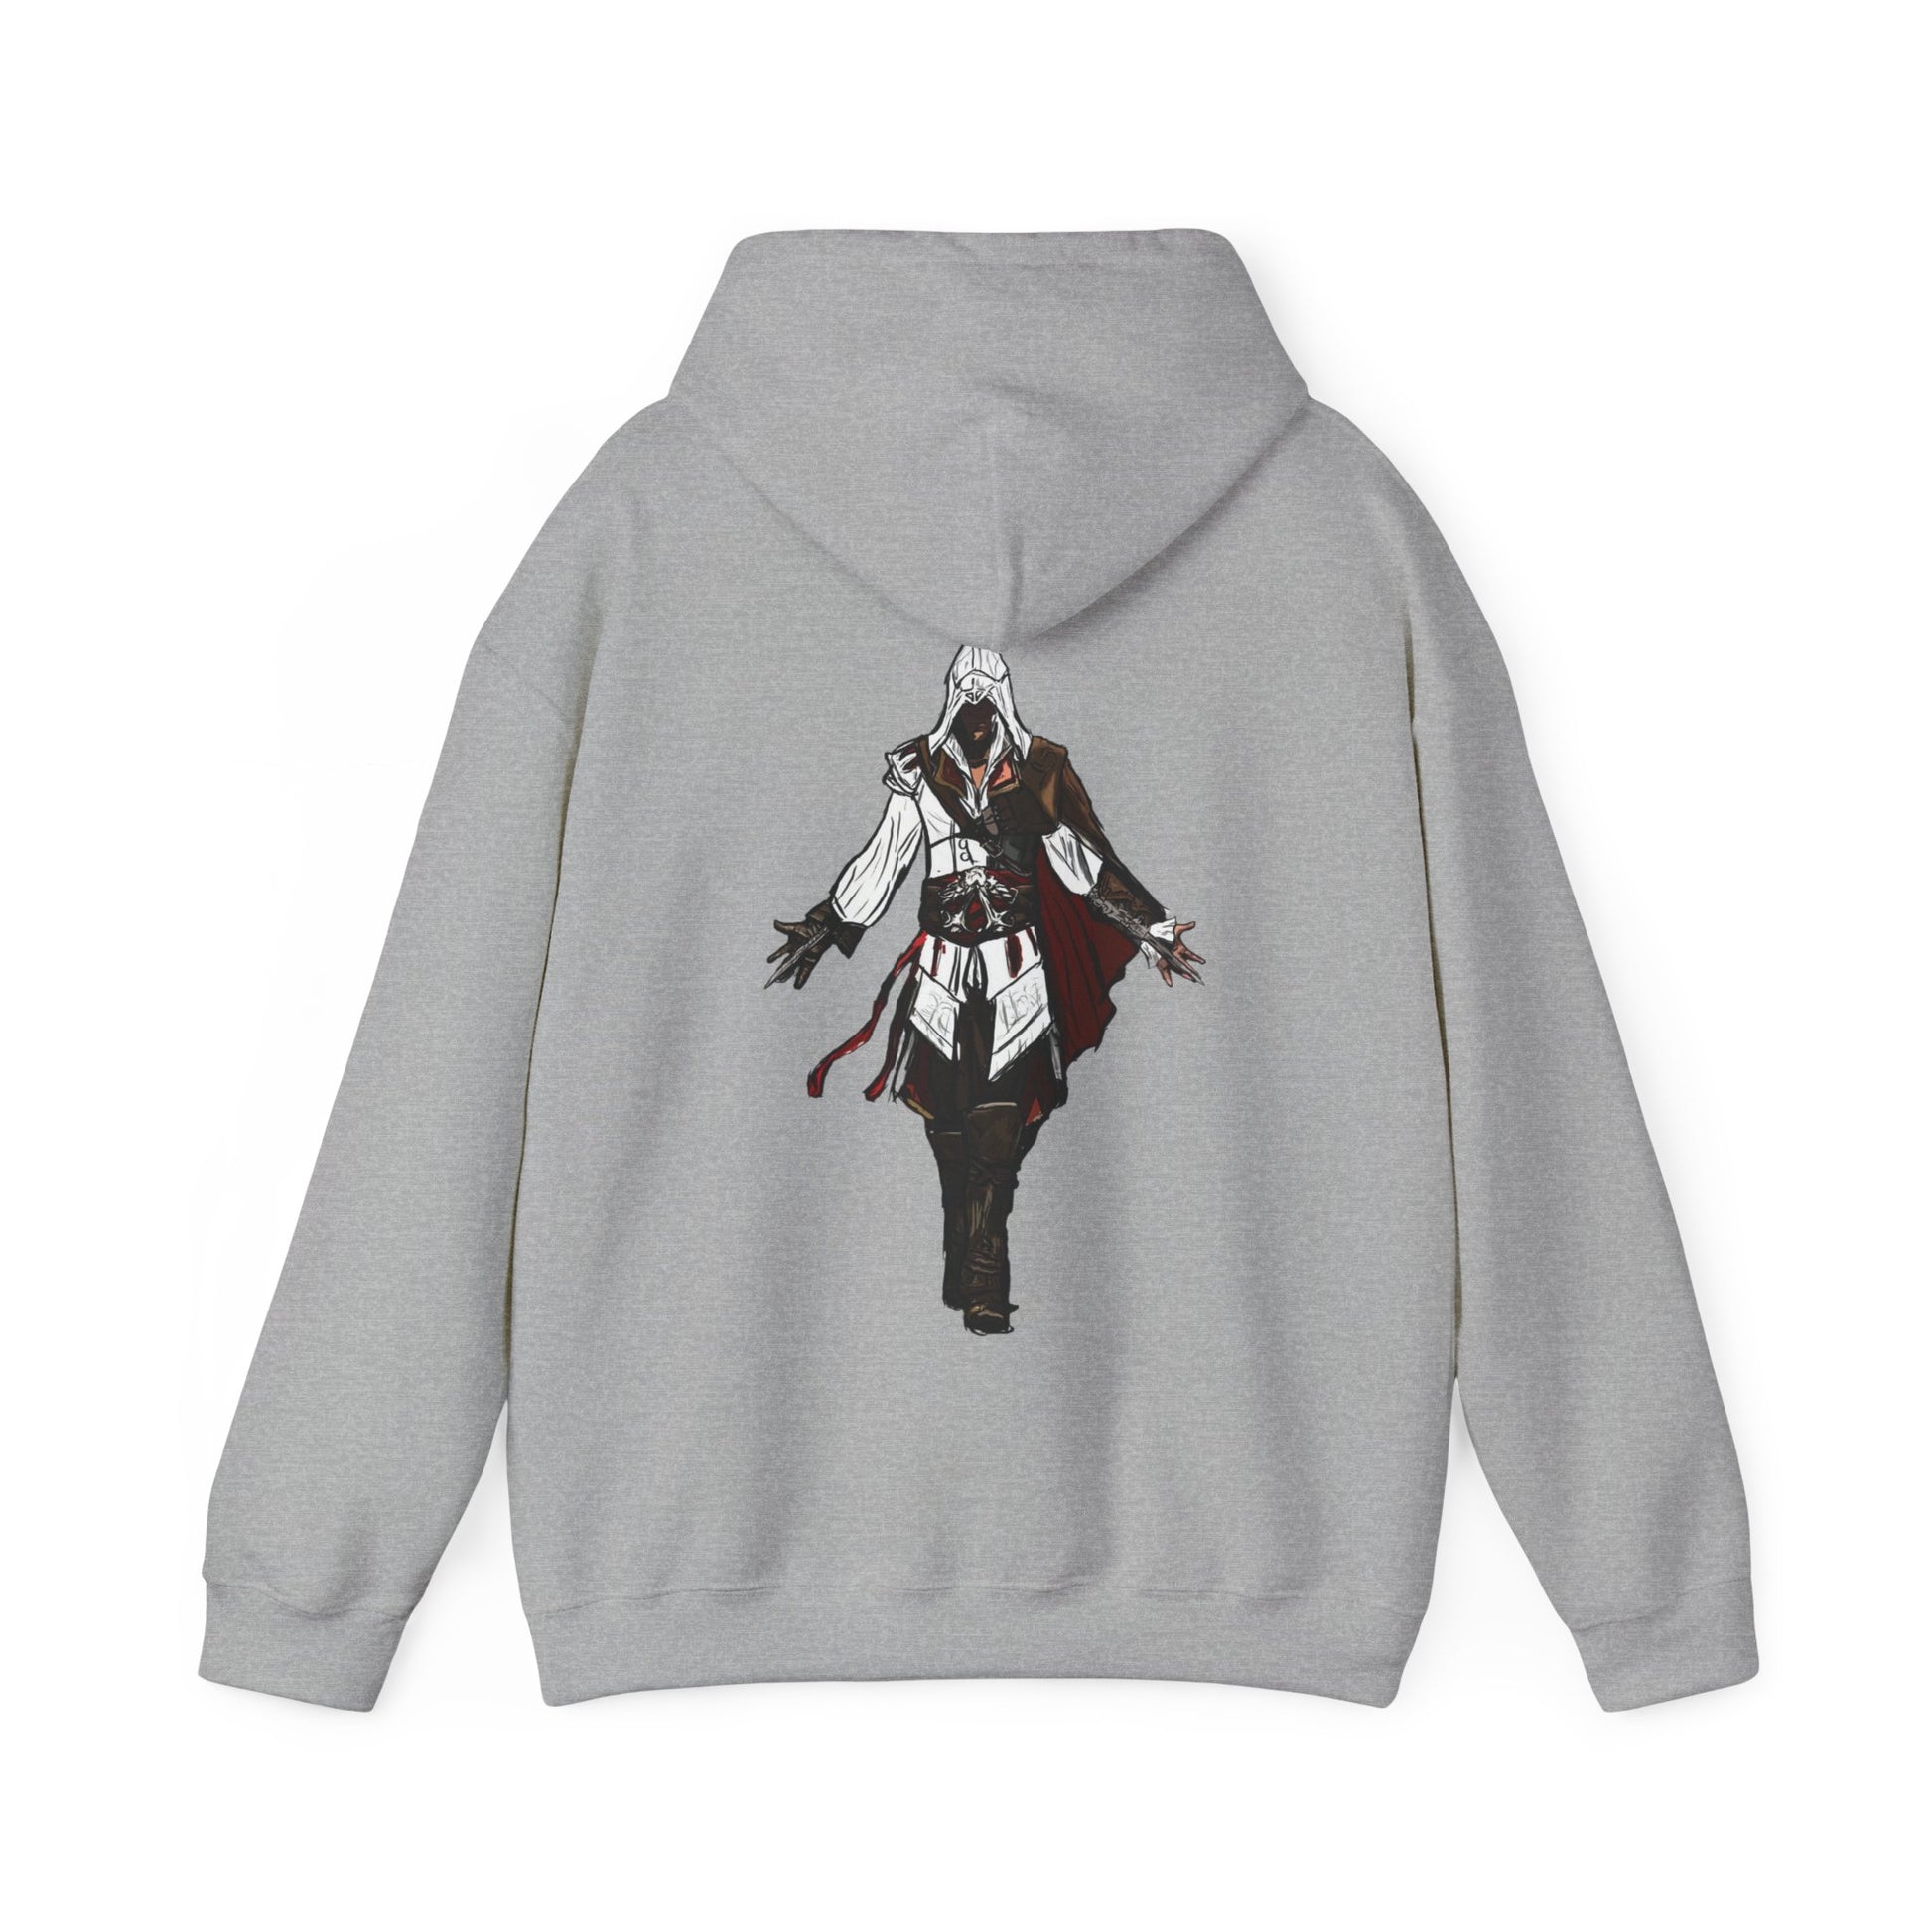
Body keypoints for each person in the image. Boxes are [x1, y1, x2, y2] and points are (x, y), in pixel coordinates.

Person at [768, 645, 1202, 1334]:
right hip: (941, 977)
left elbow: (1083, 865)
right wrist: (827, 924)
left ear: (1001, 707)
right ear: (953, 706)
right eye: (965, 706)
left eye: (986, 706)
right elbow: (886, 858)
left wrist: (1148, 926)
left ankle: (985, 1287)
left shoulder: (1038, 776)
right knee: (948, 1131)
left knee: (997, 1135)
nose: (976, 719)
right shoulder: (917, 773)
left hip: (1015, 975)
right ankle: (961, 1256)